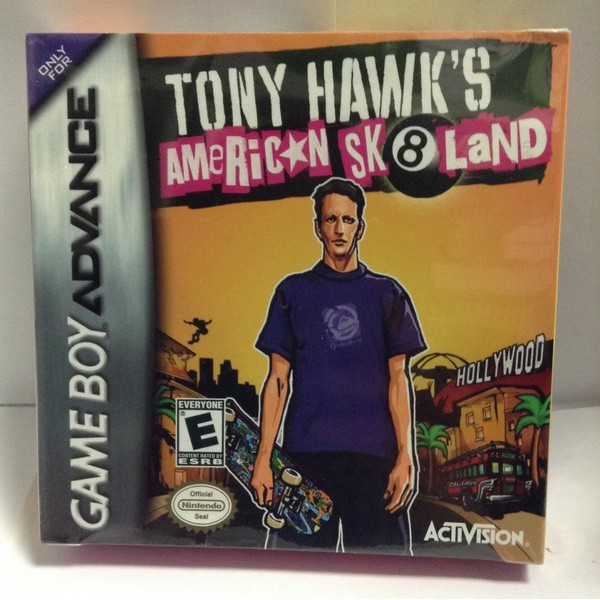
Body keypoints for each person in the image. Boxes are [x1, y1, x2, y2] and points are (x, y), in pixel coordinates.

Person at [251, 177, 426, 552]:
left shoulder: (388, 293)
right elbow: (277, 380)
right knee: (293, 573)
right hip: (306, 462)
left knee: (389, 571)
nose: (340, 229)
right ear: (318, 227)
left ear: (360, 226)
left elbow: (399, 380)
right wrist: (263, 458)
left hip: (375, 461)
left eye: (348, 220)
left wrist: (405, 455)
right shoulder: (292, 292)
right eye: (331, 219)